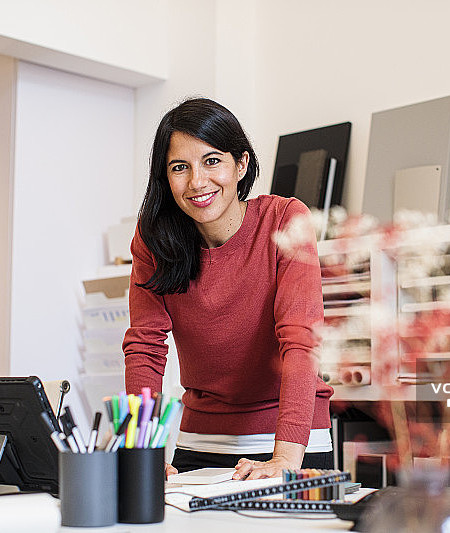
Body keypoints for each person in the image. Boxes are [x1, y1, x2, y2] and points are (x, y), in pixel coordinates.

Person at [123, 97, 333, 480]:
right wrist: (141, 449)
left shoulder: (285, 219)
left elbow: (301, 340)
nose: (197, 181)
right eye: (179, 167)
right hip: (200, 443)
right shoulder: (155, 241)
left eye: (212, 160)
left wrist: (284, 458)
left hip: (292, 443)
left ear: (242, 164)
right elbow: (145, 346)